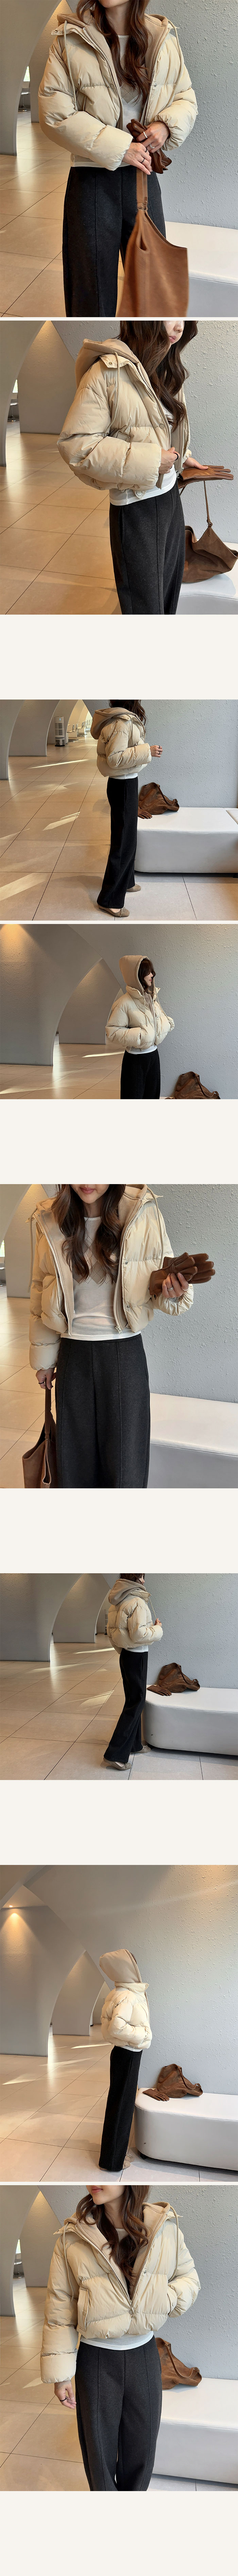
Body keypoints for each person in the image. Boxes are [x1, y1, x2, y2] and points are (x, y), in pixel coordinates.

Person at [29, 1181, 195, 1490]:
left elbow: (162, 1286)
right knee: (74, 1462)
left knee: (125, 1465)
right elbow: (41, 1291)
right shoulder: (50, 1219)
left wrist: (173, 1292)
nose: (87, 1181)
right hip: (73, 1354)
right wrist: (44, 1360)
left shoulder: (142, 1212)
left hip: (124, 1354)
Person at [38, 6, 198, 319]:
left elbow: (186, 98)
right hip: (92, 177)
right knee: (91, 294)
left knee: (153, 291)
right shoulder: (70, 37)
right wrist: (120, 147)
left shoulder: (162, 36)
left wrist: (166, 126)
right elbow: (55, 113)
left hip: (143, 177)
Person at [40, 2183, 200, 2488]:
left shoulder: (164, 2228)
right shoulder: (73, 2237)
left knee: (142, 2449)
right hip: (96, 2359)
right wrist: (61, 2375)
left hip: (144, 2355)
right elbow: (60, 2308)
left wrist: (165, 2299)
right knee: (99, 2453)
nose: (93, 2182)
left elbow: (189, 2279)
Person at [58, 317, 200, 616]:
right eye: (171, 317)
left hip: (170, 497)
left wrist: (183, 455)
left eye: (185, 320)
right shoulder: (106, 372)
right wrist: (154, 460)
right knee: (144, 607)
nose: (180, 327)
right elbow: (77, 446)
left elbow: (160, 427)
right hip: (137, 507)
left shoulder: (165, 365)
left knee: (169, 593)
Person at [90, 699, 162, 914]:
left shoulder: (122, 719)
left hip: (126, 782)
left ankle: (127, 881)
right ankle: (110, 900)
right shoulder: (122, 723)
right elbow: (114, 759)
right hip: (122, 785)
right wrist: (147, 750)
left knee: (128, 838)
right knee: (123, 843)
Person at [96, 1572, 163, 1763]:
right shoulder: (137, 1602)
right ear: (135, 1578)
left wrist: (123, 1650)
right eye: (141, 1576)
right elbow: (139, 1635)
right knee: (136, 1703)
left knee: (134, 1700)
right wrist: (158, 1629)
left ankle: (135, 1745)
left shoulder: (118, 1601)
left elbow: (111, 1632)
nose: (144, 1580)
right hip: (138, 1655)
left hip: (127, 1656)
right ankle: (115, 1755)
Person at [106, 951, 174, 1093]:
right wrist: (141, 1036)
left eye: (152, 972)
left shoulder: (151, 998)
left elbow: (157, 1023)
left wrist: (167, 1024)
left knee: (153, 1095)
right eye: (149, 972)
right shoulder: (124, 1003)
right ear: (138, 975)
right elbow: (112, 1032)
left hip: (154, 1056)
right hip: (136, 1060)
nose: (153, 975)